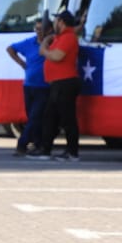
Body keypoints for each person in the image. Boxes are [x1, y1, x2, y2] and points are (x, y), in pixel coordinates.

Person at [36, 9, 81, 160]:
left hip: (65, 82)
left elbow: (57, 56)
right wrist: (47, 40)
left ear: (61, 22)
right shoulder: (60, 37)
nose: (53, 23)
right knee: (50, 117)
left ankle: (72, 152)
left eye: (56, 21)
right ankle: (45, 149)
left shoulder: (68, 37)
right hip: (57, 84)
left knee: (67, 119)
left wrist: (44, 51)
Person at [6, 18, 50, 157]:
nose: (38, 32)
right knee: (32, 116)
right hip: (29, 85)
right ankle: (37, 144)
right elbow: (10, 49)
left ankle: (22, 144)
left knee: (35, 116)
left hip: (44, 86)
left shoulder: (51, 43)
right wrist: (22, 64)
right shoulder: (29, 42)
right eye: (36, 29)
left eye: (41, 29)